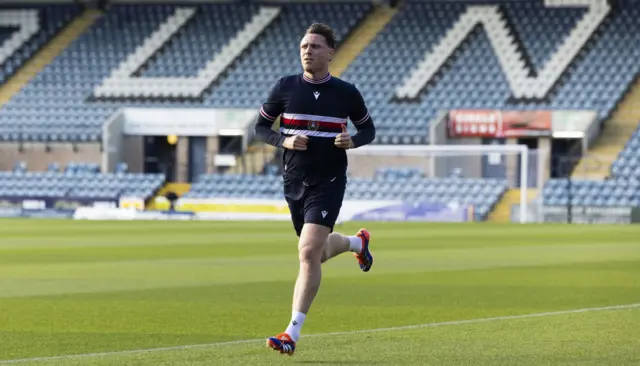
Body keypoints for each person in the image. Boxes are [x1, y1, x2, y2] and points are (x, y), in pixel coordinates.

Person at [253, 23, 376, 356]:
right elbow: (260, 127)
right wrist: (284, 139)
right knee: (317, 253)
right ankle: (356, 242)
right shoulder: (285, 88)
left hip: (329, 181)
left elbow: (368, 130)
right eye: (304, 46)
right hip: (294, 181)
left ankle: (291, 332)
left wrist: (354, 140)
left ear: (330, 52)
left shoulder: (346, 92)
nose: (308, 51)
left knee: (307, 252)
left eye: (315, 46)